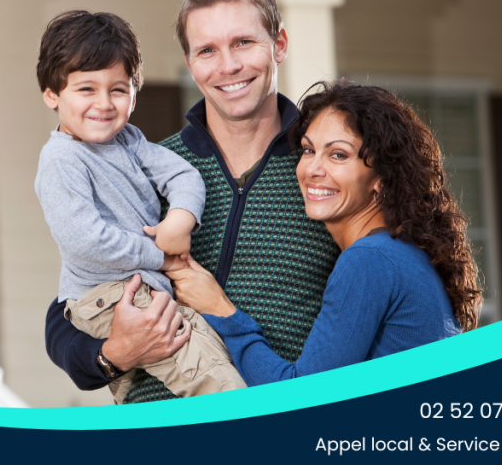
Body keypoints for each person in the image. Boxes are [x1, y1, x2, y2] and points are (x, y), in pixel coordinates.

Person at [44, 0, 339, 403]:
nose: (228, 66)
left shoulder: (325, 169)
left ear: (279, 45)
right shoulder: (145, 167)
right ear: (190, 62)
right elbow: (66, 311)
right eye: (207, 50)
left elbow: (380, 285)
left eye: (243, 43)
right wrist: (112, 354)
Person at [175, 80, 482, 385]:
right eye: (308, 150)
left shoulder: (370, 260)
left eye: (338, 155)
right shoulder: (399, 254)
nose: (312, 169)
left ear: (382, 177)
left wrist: (220, 309)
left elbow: (302, 396)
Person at [34, 10, 246, 403]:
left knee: (214, 357)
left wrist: (179, 221)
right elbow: (85, 240)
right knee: (217, 384)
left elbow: (183, 176)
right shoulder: (61, 161)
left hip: (141, 286)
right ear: (52, 95)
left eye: (118, 89)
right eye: (86, 89)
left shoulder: (129, 141)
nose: (104, 103)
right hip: (110, 293)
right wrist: (160, 257)